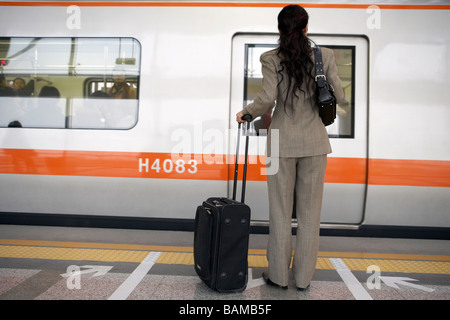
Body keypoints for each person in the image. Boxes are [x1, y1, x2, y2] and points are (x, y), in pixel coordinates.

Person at [236, 4, 344, 290]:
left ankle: (279, 277)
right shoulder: (325, 56)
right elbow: (340, 96)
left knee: (280, 213)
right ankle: (303, 279)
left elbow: (267, 99)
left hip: (279, 144)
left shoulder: (270, 58)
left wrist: (246, 112)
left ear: (279, 29)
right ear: (306, 28)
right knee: (310, 216)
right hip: (316, 144)